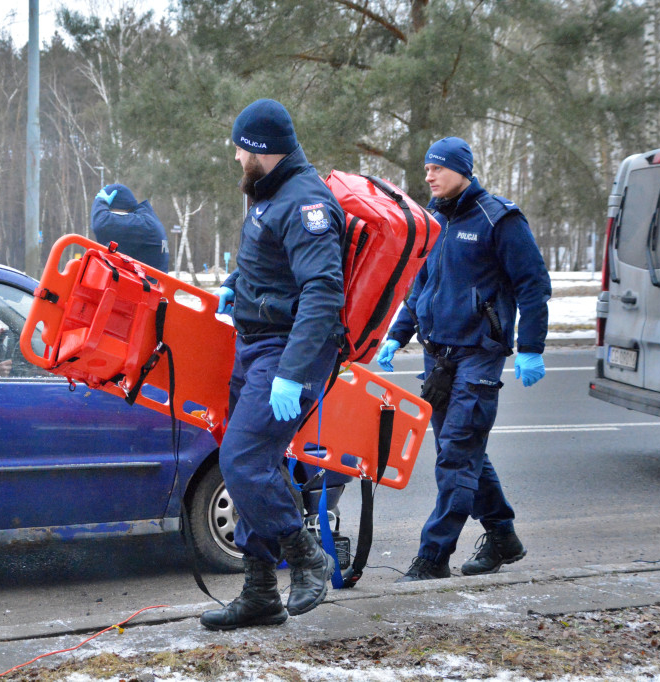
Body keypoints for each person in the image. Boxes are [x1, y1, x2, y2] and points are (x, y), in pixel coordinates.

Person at [375, 136, 551, 582]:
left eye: (437, 168)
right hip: (438, 360)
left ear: (461, 170)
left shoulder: (499, 219)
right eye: (427, 168)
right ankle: (502, 536)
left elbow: (533, 284)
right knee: (465, 454)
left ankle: (433, 558)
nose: (429, 175)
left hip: (478, 356)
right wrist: (397, 335)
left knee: (456, 457)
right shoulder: (433, 221)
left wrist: (530, 347)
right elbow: (421, 288)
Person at [199, 99, 345, 631]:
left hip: (287, 353)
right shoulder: (268, 195)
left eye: (241, 147)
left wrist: (293, 370)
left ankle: (308, 558)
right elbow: (268, 267)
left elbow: (324, 292)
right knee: (248, 466)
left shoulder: (306, 203)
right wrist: (235, 288)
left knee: (243, 460)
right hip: (256, 344)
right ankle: (260, 591)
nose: (236, 156)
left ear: (262, 149)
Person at [90, 183, 169, 272]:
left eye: (109, 212)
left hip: (147, 283)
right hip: (147, 282)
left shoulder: (143, 224)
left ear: (123, 209)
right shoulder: (145, 221)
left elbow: (101, 224)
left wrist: (100, 201)